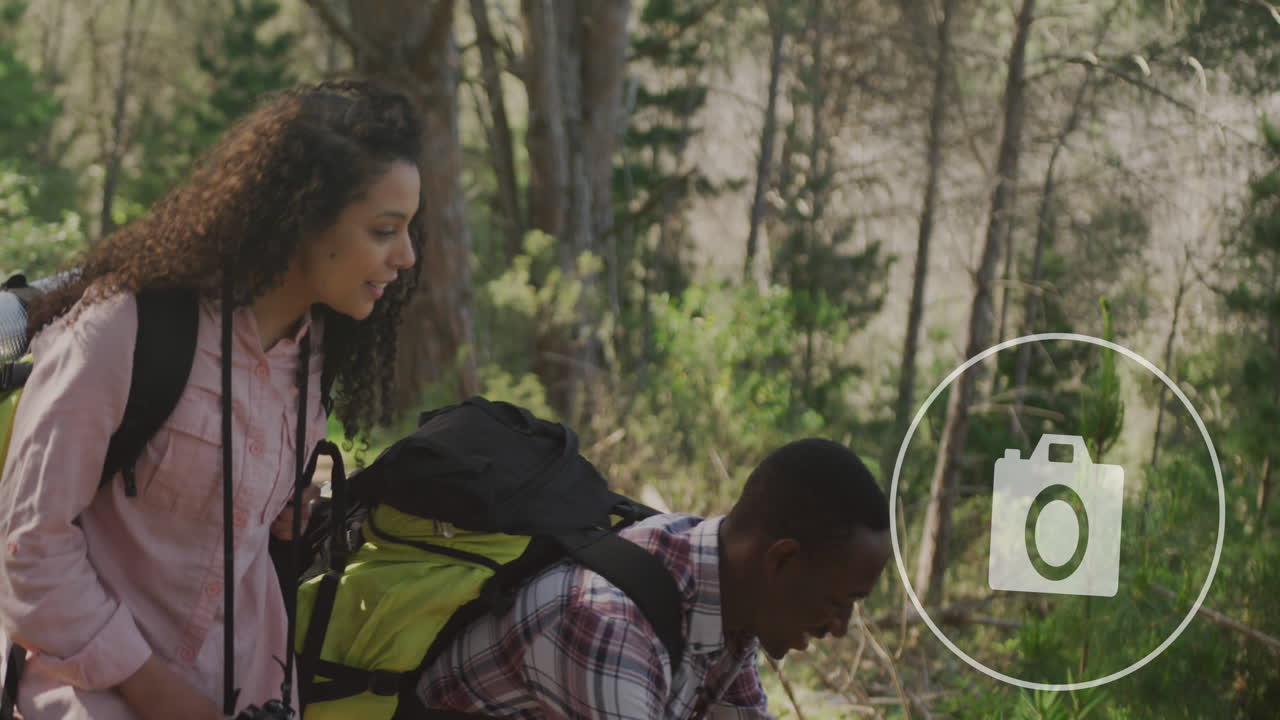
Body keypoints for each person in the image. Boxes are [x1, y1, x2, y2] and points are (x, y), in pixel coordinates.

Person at [0, 81, 423, 720]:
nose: (406, 256)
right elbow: (28, 546)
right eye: (385, 230)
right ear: (301, 217)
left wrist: (279, 511)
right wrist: (167, 701)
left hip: (249, 690)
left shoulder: (312, 358)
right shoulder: (122, 329)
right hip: (85, 689)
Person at [419, 437, 893, 719]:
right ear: (780, 561)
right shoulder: (609, 624)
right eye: (839, 601)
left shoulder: (724, 596)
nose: (840, 626)